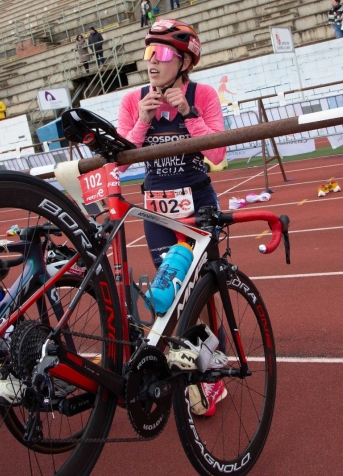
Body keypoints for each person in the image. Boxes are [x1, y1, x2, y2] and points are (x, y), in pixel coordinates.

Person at [116, 18, 227, 415]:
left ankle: (212, 372)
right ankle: (186, 362)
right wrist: (142, 122)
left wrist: (189, 112)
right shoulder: (132, 101)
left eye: (162, 54)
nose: (152, 61)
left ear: (185, 62)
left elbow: (218, 155)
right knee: (172, 293)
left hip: (199, 205)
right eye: (149, 52)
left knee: (204, 291)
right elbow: (120, 164)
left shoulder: (203, 94)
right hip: (158, 212)